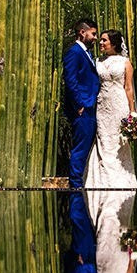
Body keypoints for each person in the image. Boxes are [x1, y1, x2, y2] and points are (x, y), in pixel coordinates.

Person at [86, 29, 137, 192]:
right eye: (100, 40)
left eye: (104, 40)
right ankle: (101, 181)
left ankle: (120, 181)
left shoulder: (125, 63)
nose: (100, 43)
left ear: (114, 43)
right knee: (103, 139)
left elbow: (128, 87)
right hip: (102, 105)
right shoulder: (97, 61)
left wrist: (132, 111)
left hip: (119, 104)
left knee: (118, 141)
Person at [62, 18, 101, 187]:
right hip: (83, 108)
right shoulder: (74, 52)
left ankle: (81, 182)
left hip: (90, 106)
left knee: (86, 146)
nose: (95, 38)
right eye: (93, 34)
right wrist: (79, 105)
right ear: (82, 32)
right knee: (80, 148)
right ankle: (76, 185)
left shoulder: (87, 53)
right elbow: (70, 80)